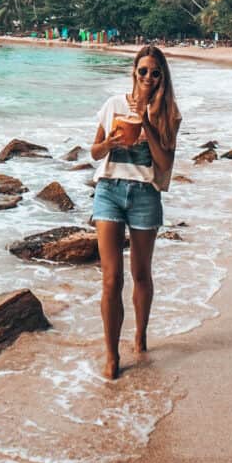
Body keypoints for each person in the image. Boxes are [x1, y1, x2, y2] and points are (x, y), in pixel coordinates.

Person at [90, 46, 181, 380]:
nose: (148, 78)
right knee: (112, 278)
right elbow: (94, 150)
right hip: (109, 190)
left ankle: (140, 335)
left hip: (145, 194)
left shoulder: (169, 113)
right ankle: (112, 355)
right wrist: (111, 143)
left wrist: (145, 122)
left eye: (155, 73)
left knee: (141, 274)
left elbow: (166, 163)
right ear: (134, 72)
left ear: (162, 77)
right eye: (143, 71)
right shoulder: (113, 105)